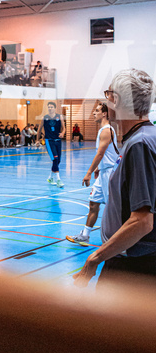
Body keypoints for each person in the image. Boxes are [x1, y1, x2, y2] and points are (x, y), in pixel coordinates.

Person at [74, 69, 156, 286]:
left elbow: (142, 221)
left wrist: (95, 258)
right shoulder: (144, 137)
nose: (105, 102)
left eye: (108, 95)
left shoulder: (139, 144)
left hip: (133, 267)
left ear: (116, 100)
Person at [66, 102, 119, 246]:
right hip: (103, 173)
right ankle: (85, 235)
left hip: (109, 174)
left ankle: (117, 240)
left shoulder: (107, 130)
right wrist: (98, 168)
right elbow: (103, 153)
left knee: (112, 208)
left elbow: (101, 153)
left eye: (97, 111)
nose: (94, 113)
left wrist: (89, 172)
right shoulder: (102, 129)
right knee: (93, 204)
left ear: (105, 114)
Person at [38, 101, 65, 187]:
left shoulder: (59, 117)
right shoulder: (44, 118)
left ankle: (50, 177)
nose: (50, 108)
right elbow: (39, 130)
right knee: (55, 159)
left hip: (58, 141)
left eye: (51, 107)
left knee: (58, 161)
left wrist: (63, 133)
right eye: (49, 107)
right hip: (49, 141)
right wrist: (37, 140)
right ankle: (58, 180)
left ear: (54, 108)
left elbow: (64, 128)